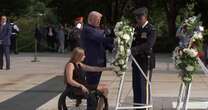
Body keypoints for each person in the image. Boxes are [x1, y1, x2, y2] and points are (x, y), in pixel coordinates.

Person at [131, 7, 156, 110]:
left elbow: (149, 44)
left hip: (146, 61)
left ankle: (144, 107)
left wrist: (134, 50)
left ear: (145, 17)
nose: (138, 20)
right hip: (136, 61)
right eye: (137, 18)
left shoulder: (151, 29)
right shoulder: (136, 29)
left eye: (140, 18)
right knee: (136, 86)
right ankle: (137, 107)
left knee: (143, 86)